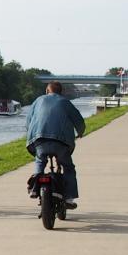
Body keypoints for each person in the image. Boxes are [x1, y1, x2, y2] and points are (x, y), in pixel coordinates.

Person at [26, 81, 85, 209]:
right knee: (68, 168)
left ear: (47, 91)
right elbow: (78, 120)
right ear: (61, 92)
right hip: (61, 142)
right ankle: (69, 198)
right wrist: (80, 132)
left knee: (40, 161)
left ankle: (35, 188)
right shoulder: (65, 102)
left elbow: (28, 121)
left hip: (39, 139)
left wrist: (30, 133)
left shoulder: (37, 101)